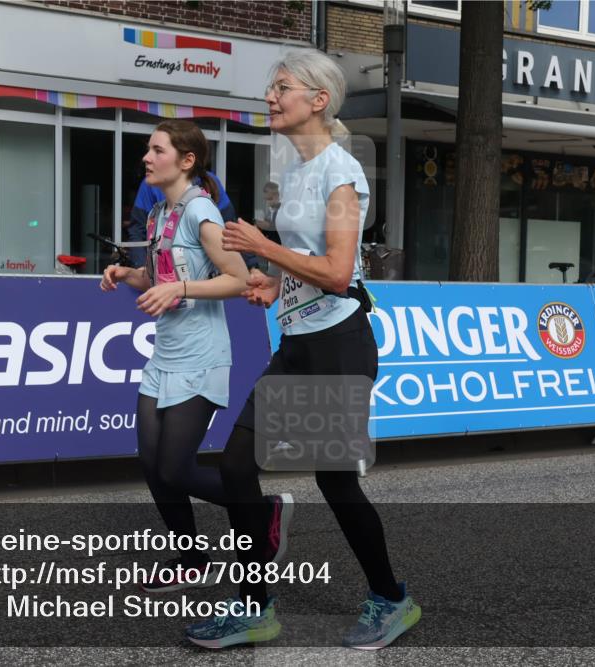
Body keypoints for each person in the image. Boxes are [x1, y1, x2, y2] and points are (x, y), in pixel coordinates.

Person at [185, 51, 420, 650]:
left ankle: (390, 598)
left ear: (318, 100)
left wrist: (263, 245)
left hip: (339, 346)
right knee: (236, 464)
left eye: (281, 87)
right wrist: (273, 279)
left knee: (336, 482)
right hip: (296, 342)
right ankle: (254, 609)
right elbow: (309, 265)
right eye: (270, 87)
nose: (269, 96)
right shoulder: (293, 169)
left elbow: (341, 273)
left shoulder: (340, 172)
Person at [100, 119, 292, 593]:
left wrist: (181, 288)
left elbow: (237, 278)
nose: (146, 157)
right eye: (147, 149)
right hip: (164, 355)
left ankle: (262, 510)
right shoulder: (157, 214)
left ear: (186, 161)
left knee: (175, 468)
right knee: (151, 464)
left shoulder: (200, 212)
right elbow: (160, 277)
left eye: (157, 150)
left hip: (201, 357)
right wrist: (128, 275)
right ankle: (192, 558)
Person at [128, 169, 260, 269]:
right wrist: (142, 268)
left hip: (207, 276)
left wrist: (251, 267)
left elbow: (231, 228)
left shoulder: (210, 181)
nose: (147, 157)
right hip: (165, 275)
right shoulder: (150, 184)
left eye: (159, 151)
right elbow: (137, 231)